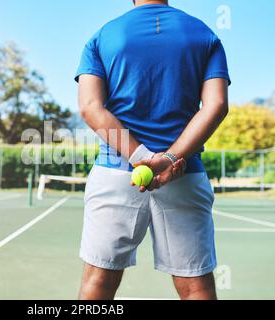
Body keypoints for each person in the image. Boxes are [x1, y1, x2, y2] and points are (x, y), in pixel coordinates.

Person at [75, 0, 230, 300]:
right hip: (184, 174)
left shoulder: (102, 36)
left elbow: (90, 107)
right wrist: (171, 159)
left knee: (99, 282)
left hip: (116, 172)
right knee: (197, 287)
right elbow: (216, 105)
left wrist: (142, 158)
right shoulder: (205, 34)